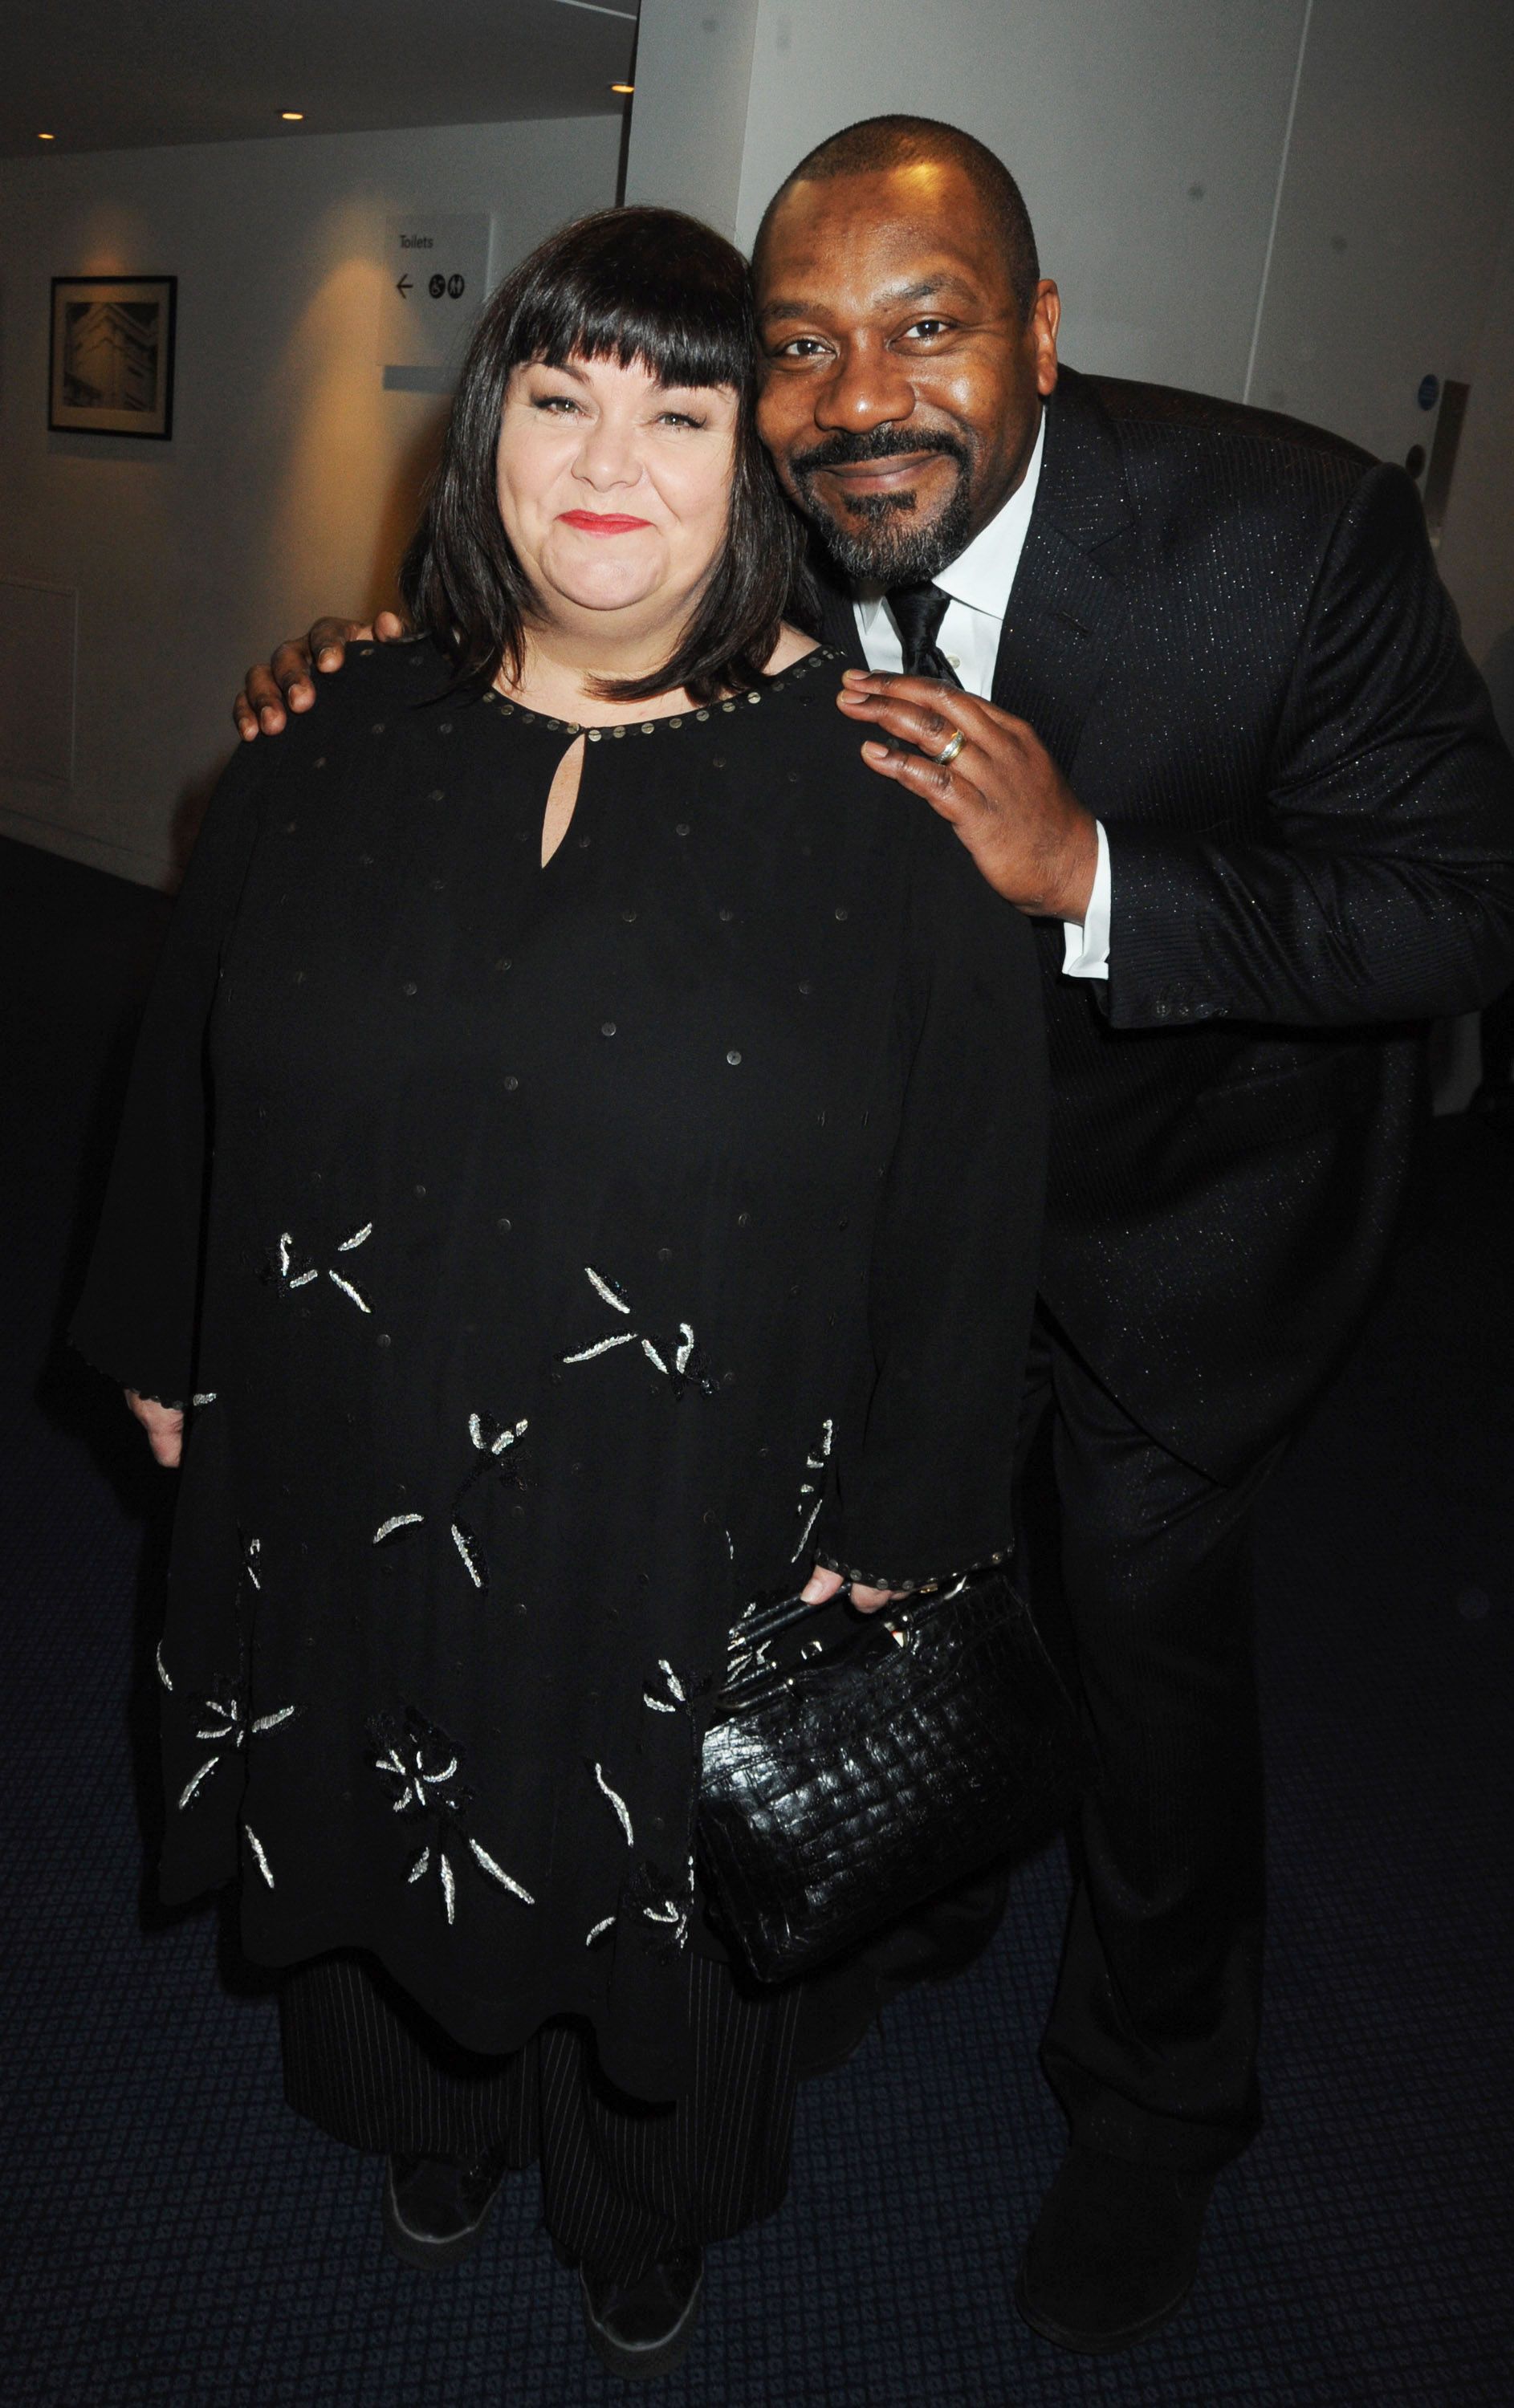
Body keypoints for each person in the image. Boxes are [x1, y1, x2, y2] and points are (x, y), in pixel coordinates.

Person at [240, 120, 1514, 2358]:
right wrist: (375, 689)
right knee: (840, 1608)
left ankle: (1153, 2117)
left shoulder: (1292, 536)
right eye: (804, 346)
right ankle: (891, 1908)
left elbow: (1461, 901)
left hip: (1167, 1217)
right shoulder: (760, 513)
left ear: (1036, 333)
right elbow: (574, 623)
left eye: (928, 329)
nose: (863, 398)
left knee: (1142, 1674)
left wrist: (1099, 870)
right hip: (850, 1209)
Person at [74, 204, 1048, 2381]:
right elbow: (188, 1059)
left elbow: (979, 1185)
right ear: (490, 424)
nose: (611, 460)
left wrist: (908, 1514)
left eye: (680, 410)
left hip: (687, 1477)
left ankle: (644, 2198)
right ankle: (423, 2106)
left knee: (654, 1867)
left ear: (756, 461)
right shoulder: (333, 733)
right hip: (354, 1435)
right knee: (385, 1773)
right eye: (562, 393)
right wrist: (156, 1341)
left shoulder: (890, 786)